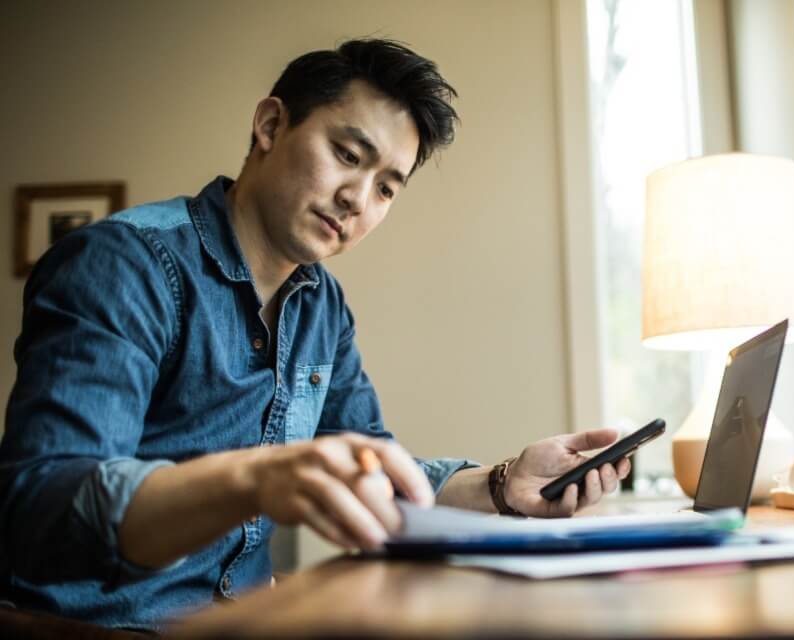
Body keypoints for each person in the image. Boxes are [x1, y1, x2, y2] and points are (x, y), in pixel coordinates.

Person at [0, 39, 629, 631]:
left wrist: (505, 483)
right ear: (271, 125)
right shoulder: (124, 265)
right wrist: (252, 479)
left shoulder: (322, 305)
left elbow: (372, 467)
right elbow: (42, 512)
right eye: (348, 156)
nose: (358, 198)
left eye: (387, 187)